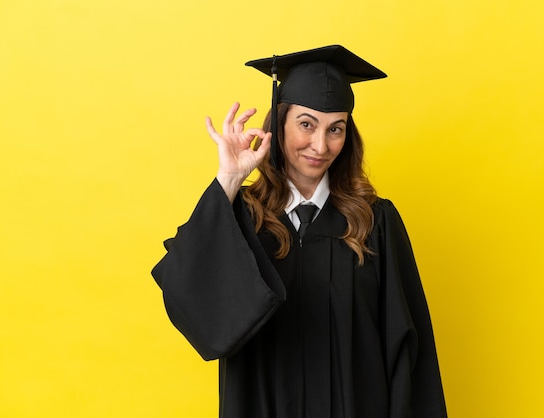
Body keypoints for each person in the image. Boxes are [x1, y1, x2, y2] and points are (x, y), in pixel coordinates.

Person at [152, 45, 447, 418]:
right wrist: (228, 180)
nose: (321, 146)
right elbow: (185, 289)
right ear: (281, 123)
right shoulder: (240, 217)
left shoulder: (375, 222)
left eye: (335, 129)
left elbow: (409, 349)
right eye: (306, 124)